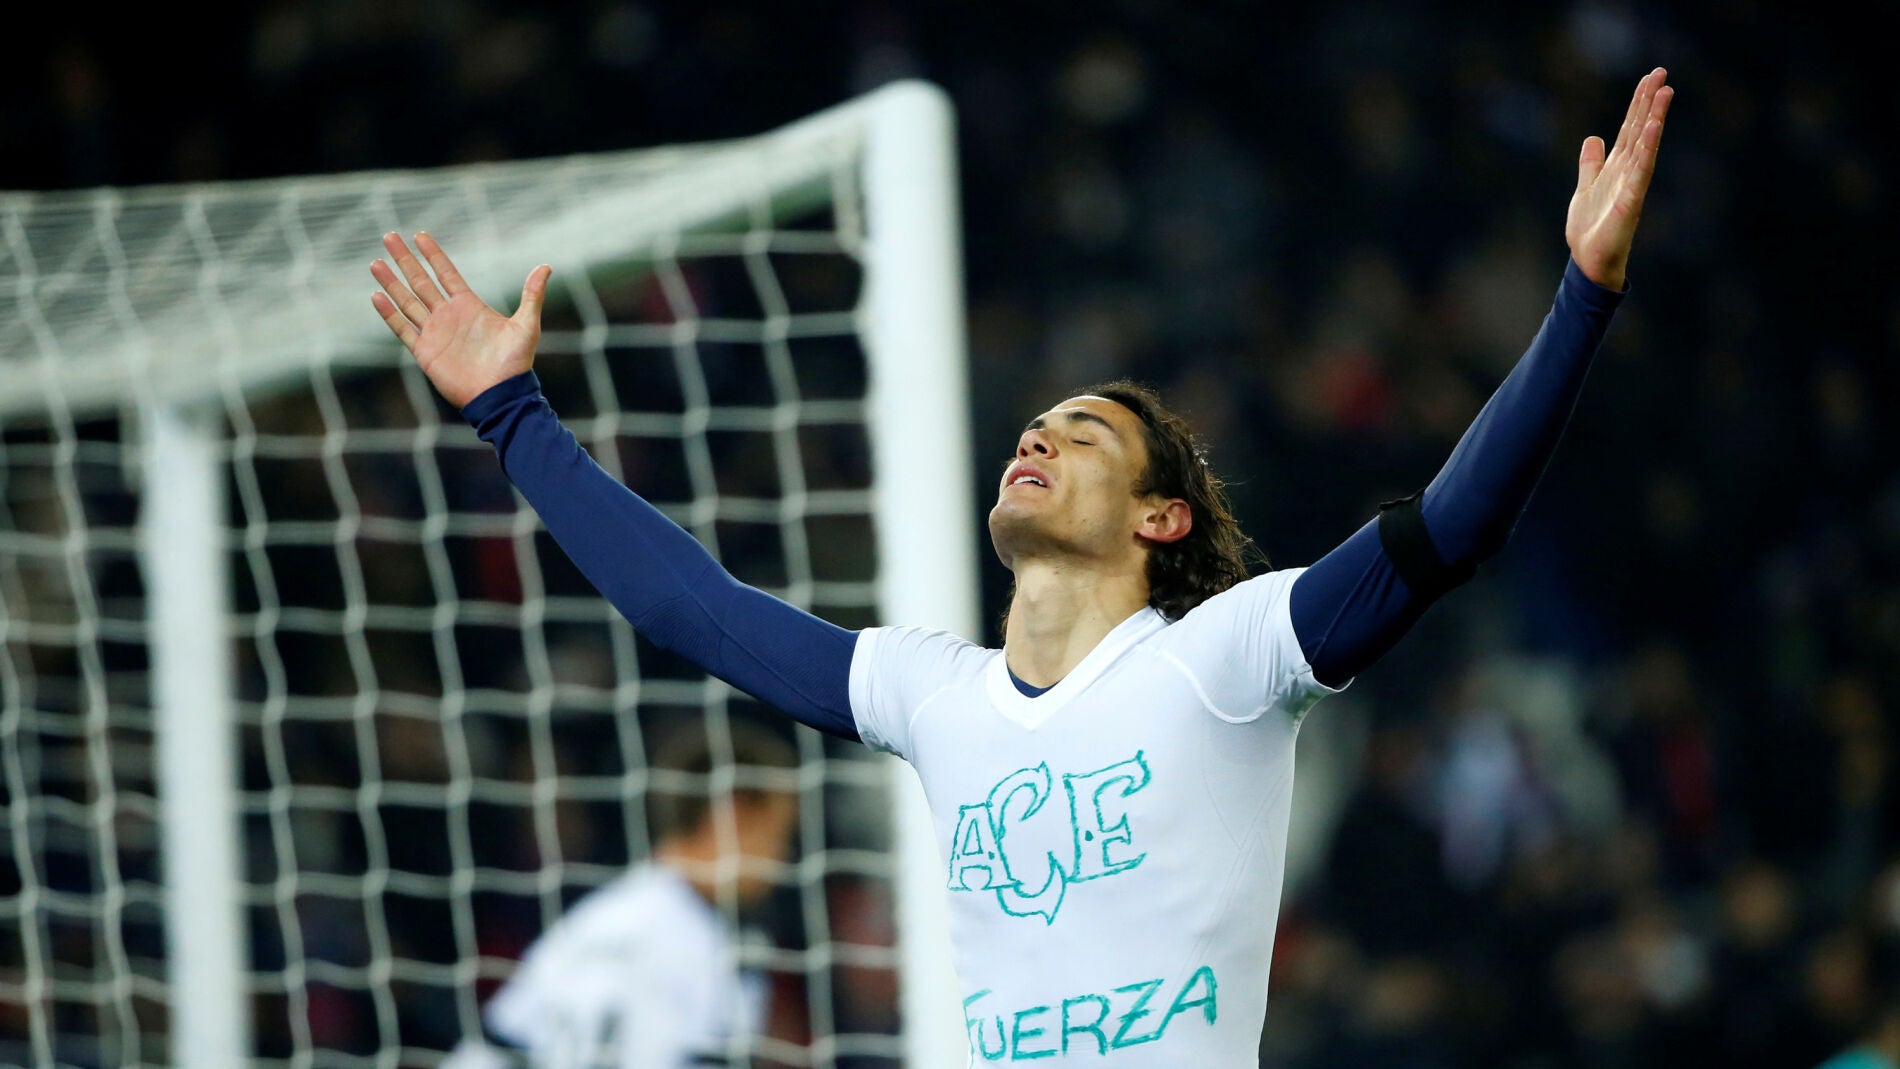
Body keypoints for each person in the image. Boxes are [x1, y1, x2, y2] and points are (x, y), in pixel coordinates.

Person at [374, 68, 1673, 1065]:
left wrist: (1580, 297)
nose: (1038, 431)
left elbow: (1454, 526)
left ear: (1163, 518)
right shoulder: (937, 697)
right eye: (1035, 421)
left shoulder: (1224, 661)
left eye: (1089, 429)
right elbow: (688, 609)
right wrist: (511, 415)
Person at [441, 722, 800, 1069]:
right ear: (732, 815)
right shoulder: (676, 939)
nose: (781, 857)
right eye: (778, 833)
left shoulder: (625, 913)